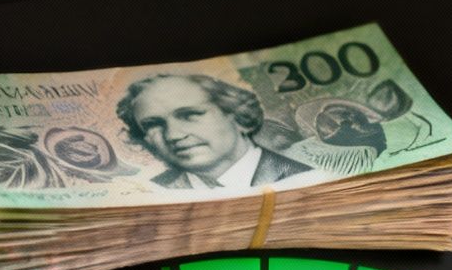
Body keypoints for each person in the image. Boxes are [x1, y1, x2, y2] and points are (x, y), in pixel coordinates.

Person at [115, 73, 314, 189]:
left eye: (189, 115)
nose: (174, 135)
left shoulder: (308, 179)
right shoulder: (151, 191)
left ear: (237, 115)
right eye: (153, 124)